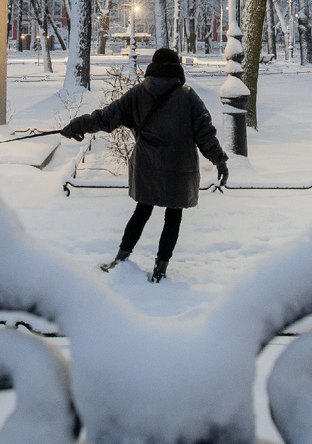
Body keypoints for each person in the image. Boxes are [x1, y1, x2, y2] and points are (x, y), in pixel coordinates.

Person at [61, 48, 228, 282]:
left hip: (147, 165)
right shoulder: (188, 97)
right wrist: (220, 162)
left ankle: (121, 258)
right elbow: (205, 134)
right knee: (173, 217)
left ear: (153, 67)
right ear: (177, 68)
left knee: (141, 211)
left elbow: (107, 118)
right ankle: (160, 269)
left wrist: (78, 126)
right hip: (179, 169)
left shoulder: (138, 93)